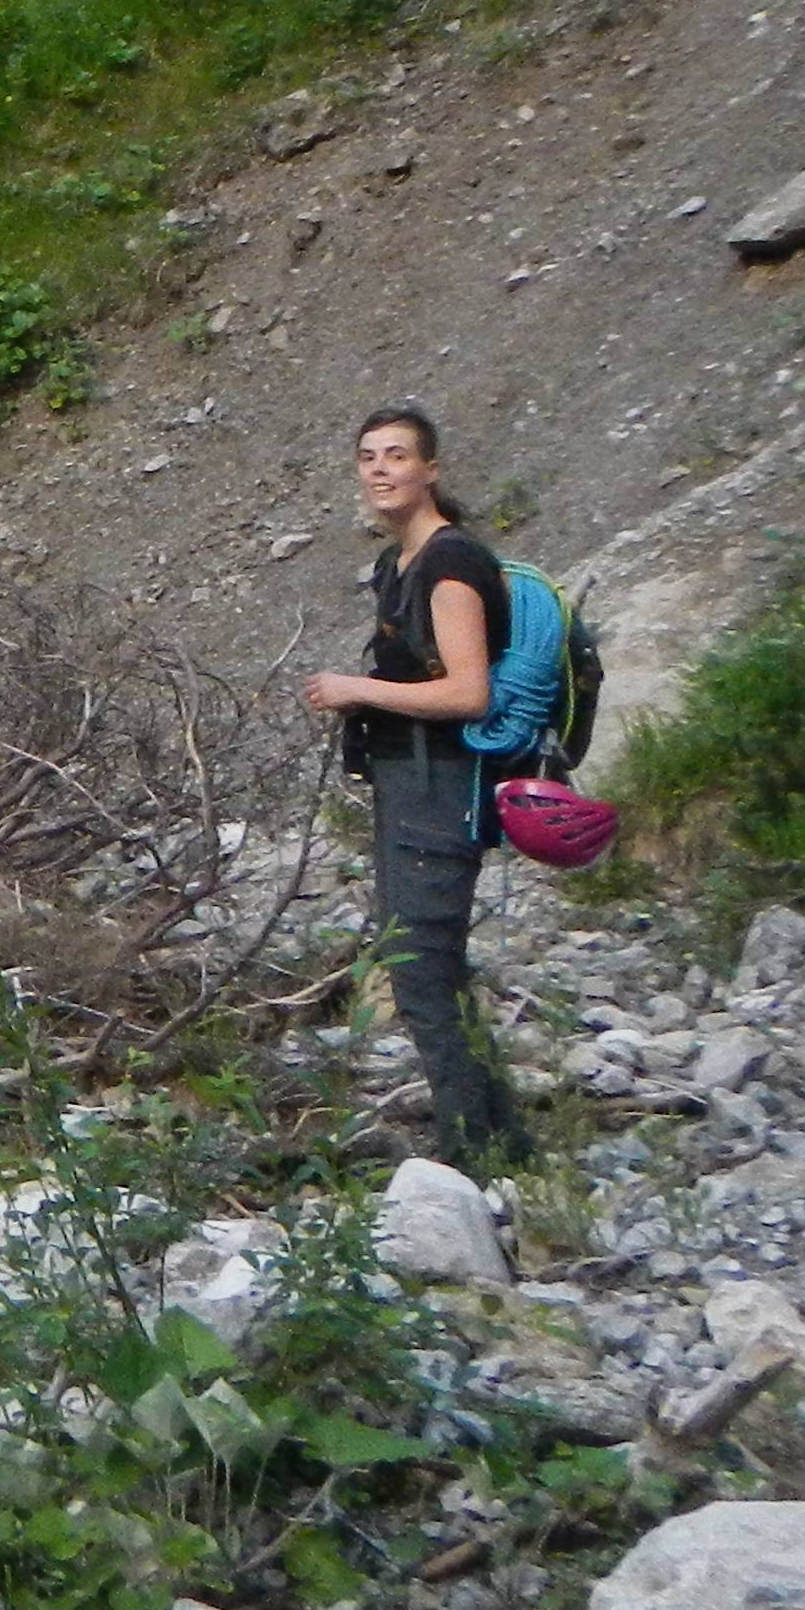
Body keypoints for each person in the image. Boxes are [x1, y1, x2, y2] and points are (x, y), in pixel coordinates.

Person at [300, 401, 532, 1167]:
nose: (380, 469)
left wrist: (357, 689)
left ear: (430, 470)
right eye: (368, 456)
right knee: (431, 968)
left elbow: (469, 693)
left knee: (422, 972)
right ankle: (505, 1150)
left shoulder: (449, 562)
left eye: (397, 455)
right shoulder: (398, 564)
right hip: (409, 782)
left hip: (443, 784)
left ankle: (474, 1155)